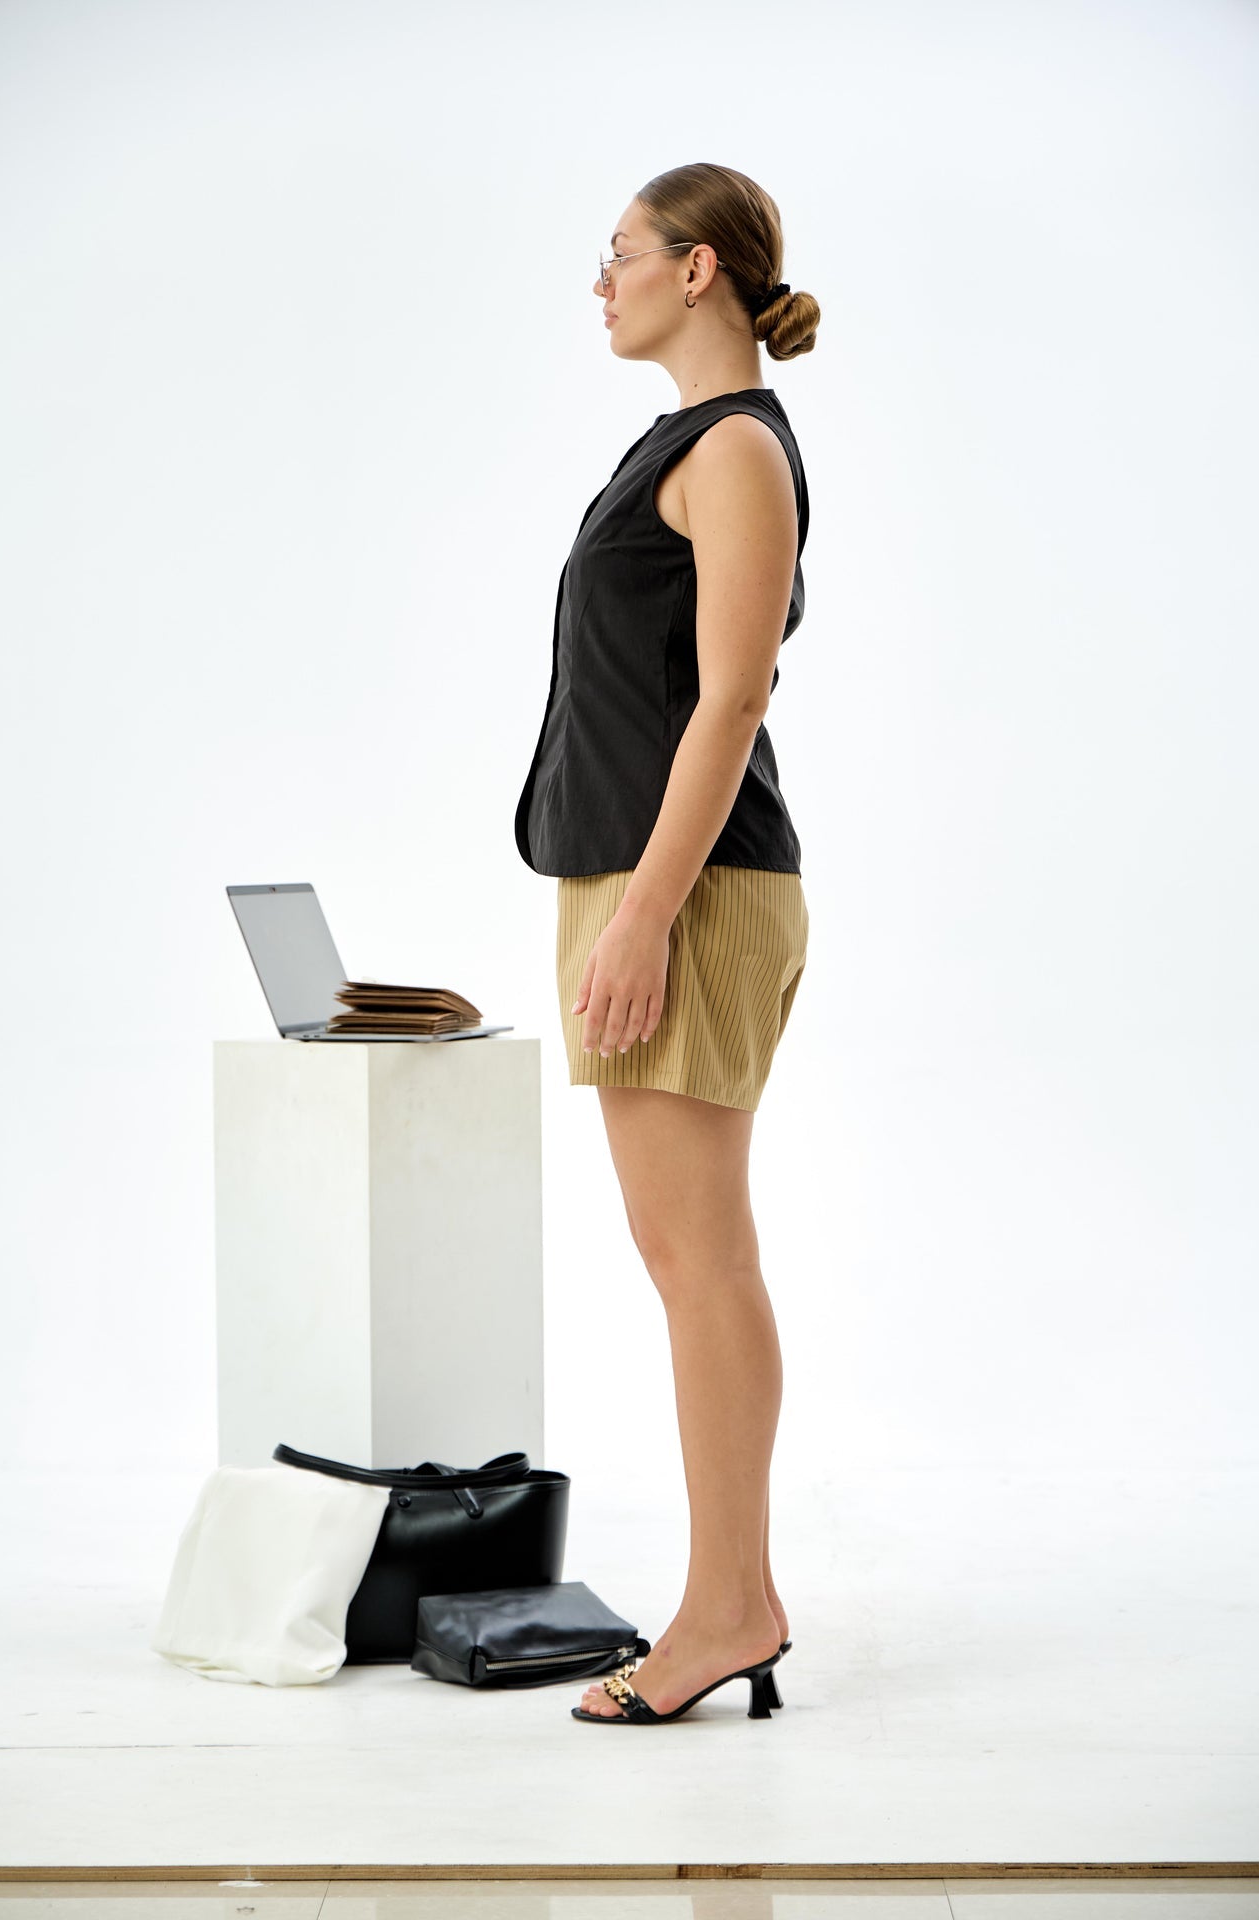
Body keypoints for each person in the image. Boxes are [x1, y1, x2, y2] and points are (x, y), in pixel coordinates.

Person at [513, 162, 821, 1725]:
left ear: (698, 270)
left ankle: (726, 1612)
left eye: (622, 251)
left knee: (701, 1258)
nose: (603, 278)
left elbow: (734, 698)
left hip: (684, 890)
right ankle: (733, 1599)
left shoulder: (739, 448)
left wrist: (643, 911)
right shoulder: (685, 444)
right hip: (641, 881)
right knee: (685, 1253)